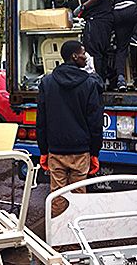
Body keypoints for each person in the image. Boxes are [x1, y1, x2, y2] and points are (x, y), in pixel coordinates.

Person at [36, 40, 104, 217]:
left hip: (56, 149)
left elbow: (41, 120)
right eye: (83, 53)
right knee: (79, 195)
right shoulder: (89, 84)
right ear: (74, 56)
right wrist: (94, 151)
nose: (86, 57)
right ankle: (74, 241)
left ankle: (57, 240)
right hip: (80, 150)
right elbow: (95, 122)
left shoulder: (47, 82)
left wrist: (43, 150)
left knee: (57, 194)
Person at [74, 0, 114, 82]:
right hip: (103, 21)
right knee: (101, 52)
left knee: (94, 52)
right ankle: (101, 80)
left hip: (97, 20)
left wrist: (83, 6)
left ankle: (96, 82)